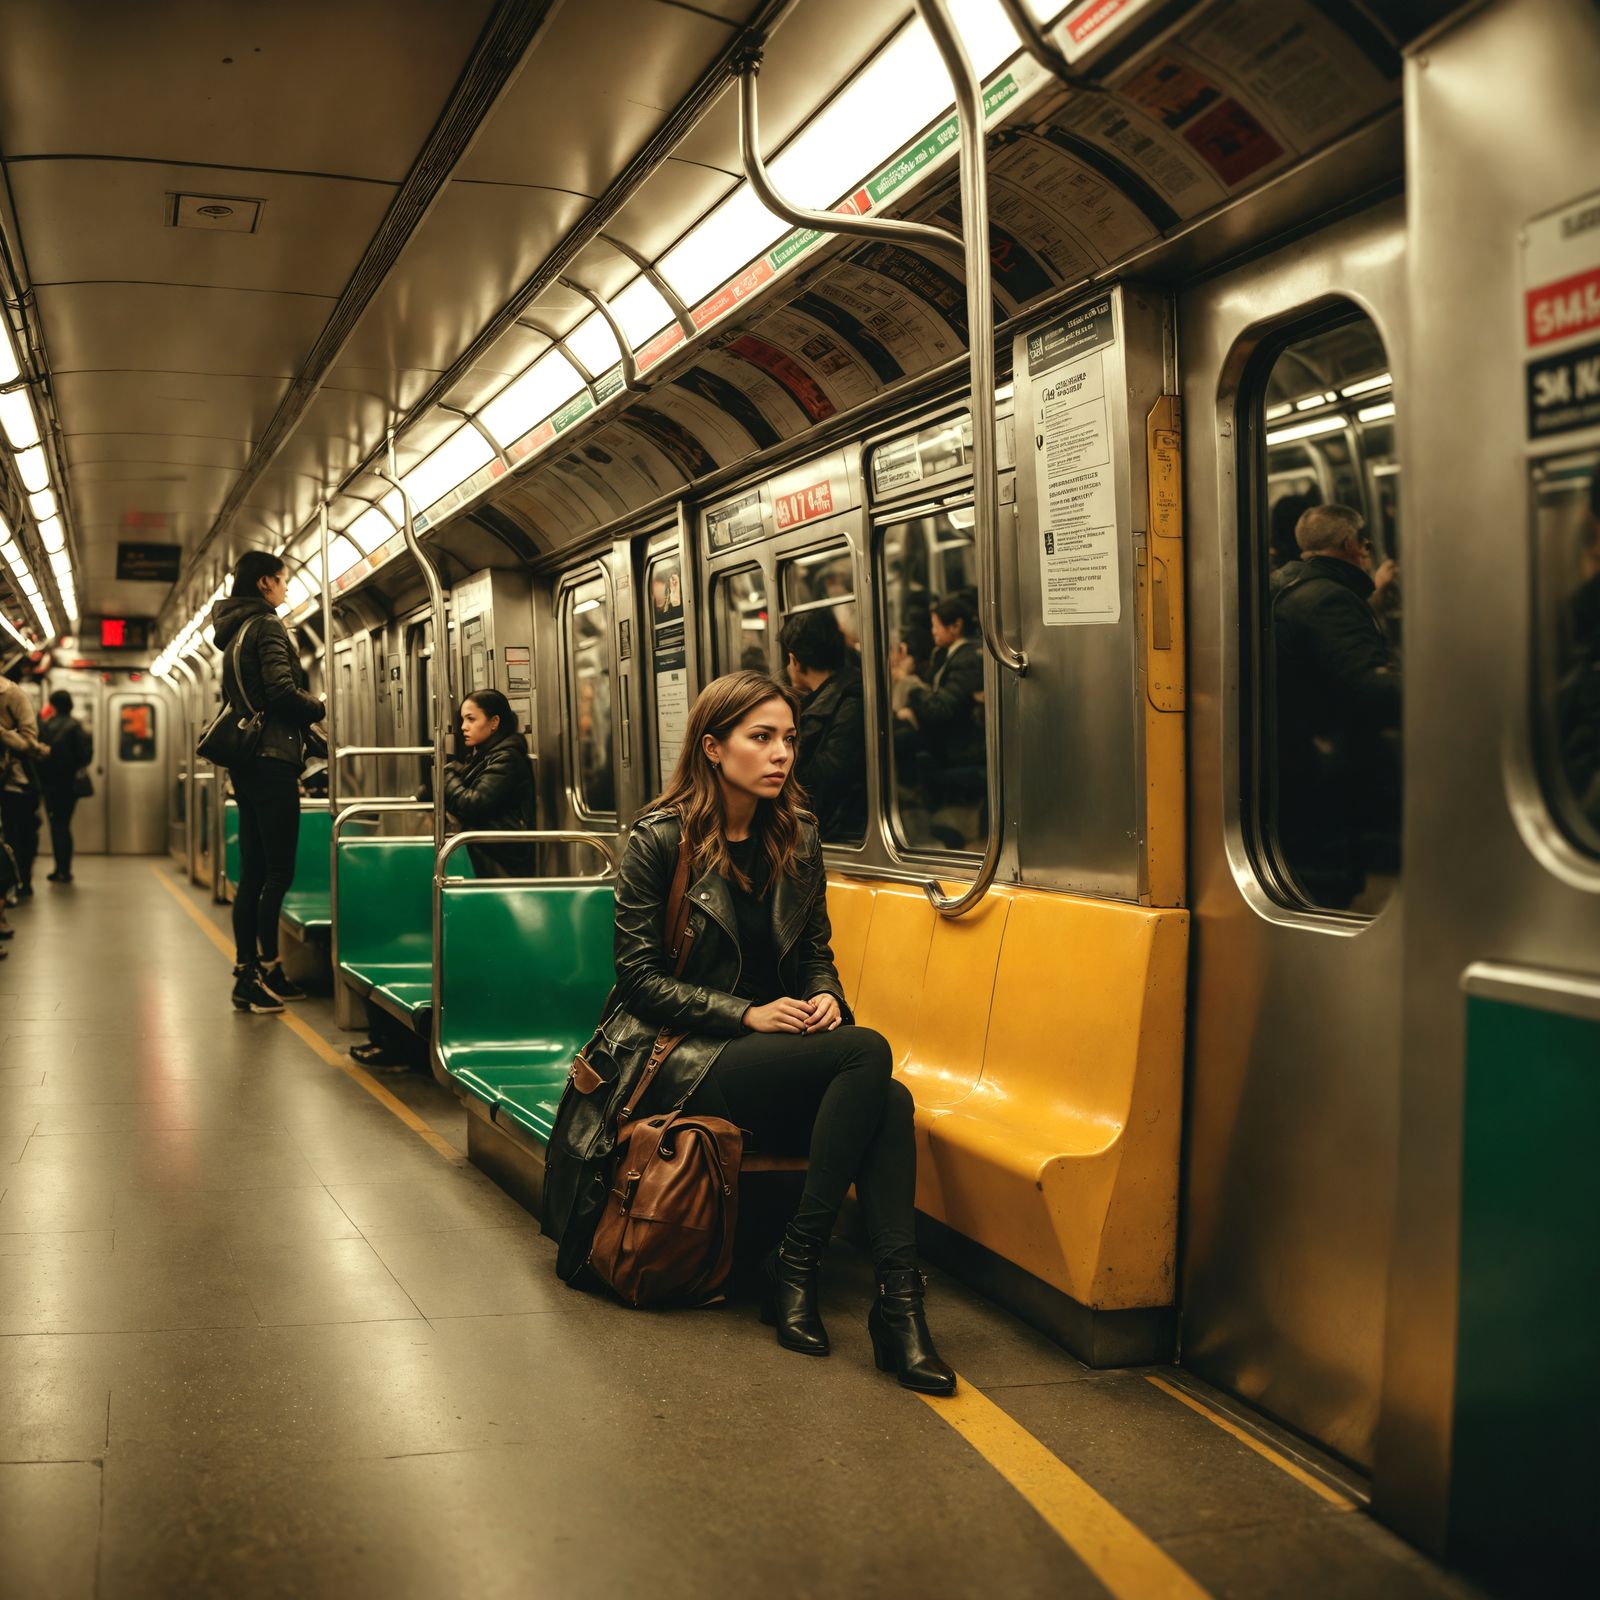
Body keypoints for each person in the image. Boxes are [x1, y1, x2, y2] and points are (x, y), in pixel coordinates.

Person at [543, 670, 955, 1394]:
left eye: (789, 739)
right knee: (868, 1055)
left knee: (884, 1097)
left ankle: (894, 1303)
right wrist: (746, 1014)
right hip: (683, 1054)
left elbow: (815, 952)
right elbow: (639, 980)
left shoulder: (797, 837)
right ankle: (807, 1267)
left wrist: (823, 997)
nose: (781, 756)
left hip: (772, 1052)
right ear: (713, 747)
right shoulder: (658, 840)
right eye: (760, 738)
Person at [211, 550, 325, 1014]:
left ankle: (260, 969)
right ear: (263, 583)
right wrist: (316, 706)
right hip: (274, 762)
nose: (286, 588)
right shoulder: (269, 626)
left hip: (247, 762)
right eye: (282, 580)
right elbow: (280, 691)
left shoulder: (235, 633)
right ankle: (253, 975)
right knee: (277, 872)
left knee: (255, 872)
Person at [1272, 503, 1402, 907]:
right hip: (1322, 767)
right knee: (1327, 890)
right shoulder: (1331, 601)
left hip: (1289, 760)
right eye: (1365, 544)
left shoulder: (1283, 585)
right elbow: (1368, 688)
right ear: (1350, 544)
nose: (1367, 553)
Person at [780, 609, 866, 842]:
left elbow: (827, 775)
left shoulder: (850, 700)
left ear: (794, 661)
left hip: (841, 829)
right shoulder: (838, 694)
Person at [0, 668, 46, 901]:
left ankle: (20, 881)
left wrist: (6, 736)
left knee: (19, 837)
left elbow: (29, 739)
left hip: (15, 783)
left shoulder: (13, 696)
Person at [39, 689, 93, 884]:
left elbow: (40, 754)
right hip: (70, 785)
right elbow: (85, 755)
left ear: (53, 705)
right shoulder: (76, 726)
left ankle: (59, 869)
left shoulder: (47, 726)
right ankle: (64, 870)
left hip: (50, 785)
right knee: (64, 825)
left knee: (56, 826)